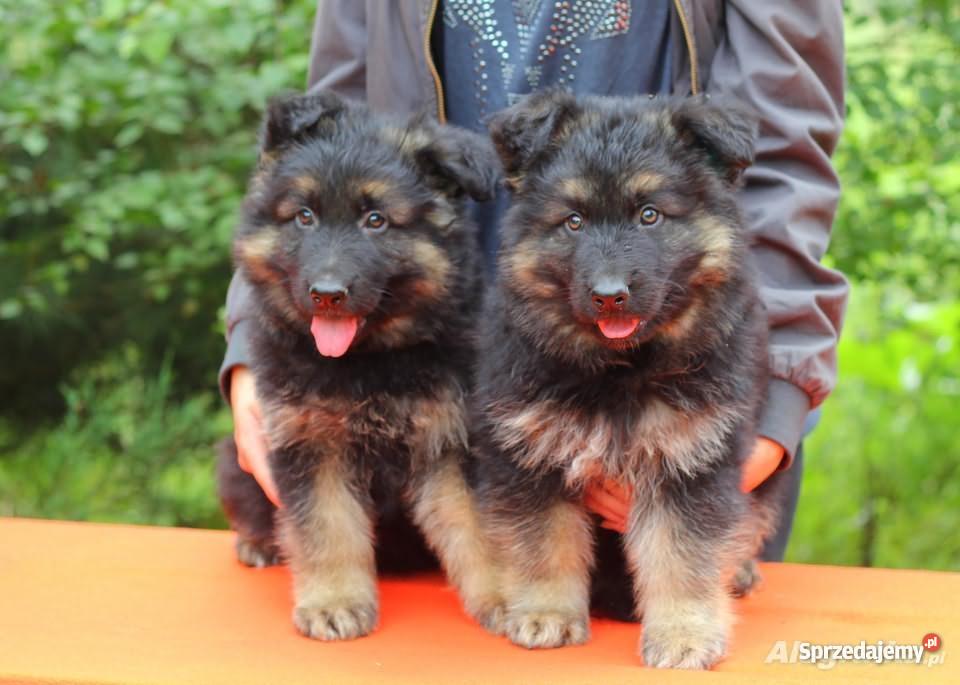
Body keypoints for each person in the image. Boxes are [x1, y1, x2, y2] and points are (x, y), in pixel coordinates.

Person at [221, 0, 848, 559]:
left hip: (672, 379)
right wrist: (259, 345)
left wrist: (775, 397)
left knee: (670, 623)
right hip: (420, 375)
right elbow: (320, 153)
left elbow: (777, 160)